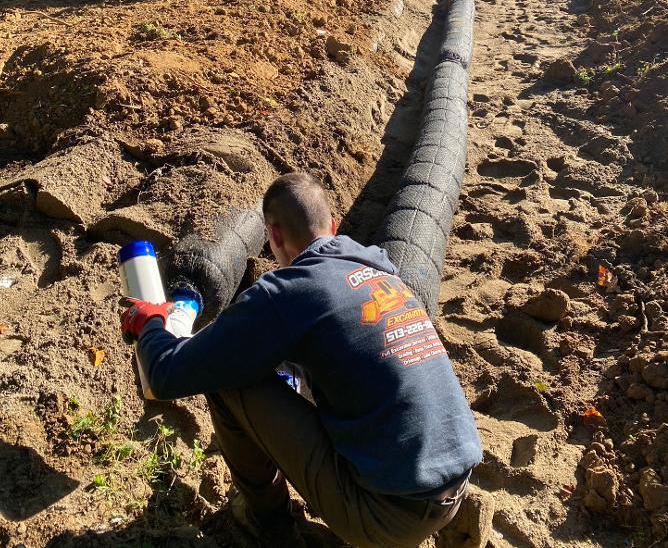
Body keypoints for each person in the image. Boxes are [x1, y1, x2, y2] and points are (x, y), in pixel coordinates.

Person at [121, 172, 482, 548]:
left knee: (228, 379)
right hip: (454, 482)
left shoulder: (290, 291)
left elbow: (166, 374)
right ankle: (452, 520)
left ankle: (268, 524)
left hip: (385, 514)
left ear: (274, 236)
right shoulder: (380, 272)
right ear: (333, 226)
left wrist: (151, 323)